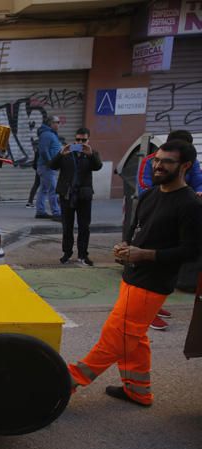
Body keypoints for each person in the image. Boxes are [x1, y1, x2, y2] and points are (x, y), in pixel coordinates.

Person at [67, 140, 202, 407]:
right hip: (132, 277)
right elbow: (138, 230)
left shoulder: (190, 205)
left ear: (185, 166)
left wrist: (146, 255)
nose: (159, 166)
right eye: (157, 160)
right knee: (134, 337)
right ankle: (138, 390)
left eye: (167, 162)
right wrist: (125, 247)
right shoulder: (151, 194)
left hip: (153, 283)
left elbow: (191, 251)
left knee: (115, 336)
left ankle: (66, 383)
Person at [136, 130, 202, 331]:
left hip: (177, 215)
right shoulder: (150, 162)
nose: (159, 165)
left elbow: (198, 180)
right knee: (126, 329)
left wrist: (197, 192)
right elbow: (144, 185)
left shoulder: (188, 201)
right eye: (158, 160)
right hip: (156, 212)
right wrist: (161, 199)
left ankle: (153, 307)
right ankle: (151, 309)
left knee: (126, 330)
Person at [49, 127, 103, 266]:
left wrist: (91, 154)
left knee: (84, 227)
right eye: (78, 140)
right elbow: (52, 166)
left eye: (83, 140)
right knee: (67, 226)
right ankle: (67, 253)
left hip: (84, 196)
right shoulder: (66, 153)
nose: (80, 143)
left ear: (88, 140)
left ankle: (83, 255)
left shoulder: (91, 153)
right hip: (67, 195)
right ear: (74, 139)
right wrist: (61, 153)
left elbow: (98, 166)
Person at [35, 116, 62, 221]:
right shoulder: (47, 134)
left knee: (44, 190)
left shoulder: (50, 134)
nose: (59, 124)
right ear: (51, 123)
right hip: (47, 167)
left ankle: (40, 211)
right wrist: (50, 163)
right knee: (53, 190)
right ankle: (56, 212)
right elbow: (43, 150)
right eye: (57, 122)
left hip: (47, 167)